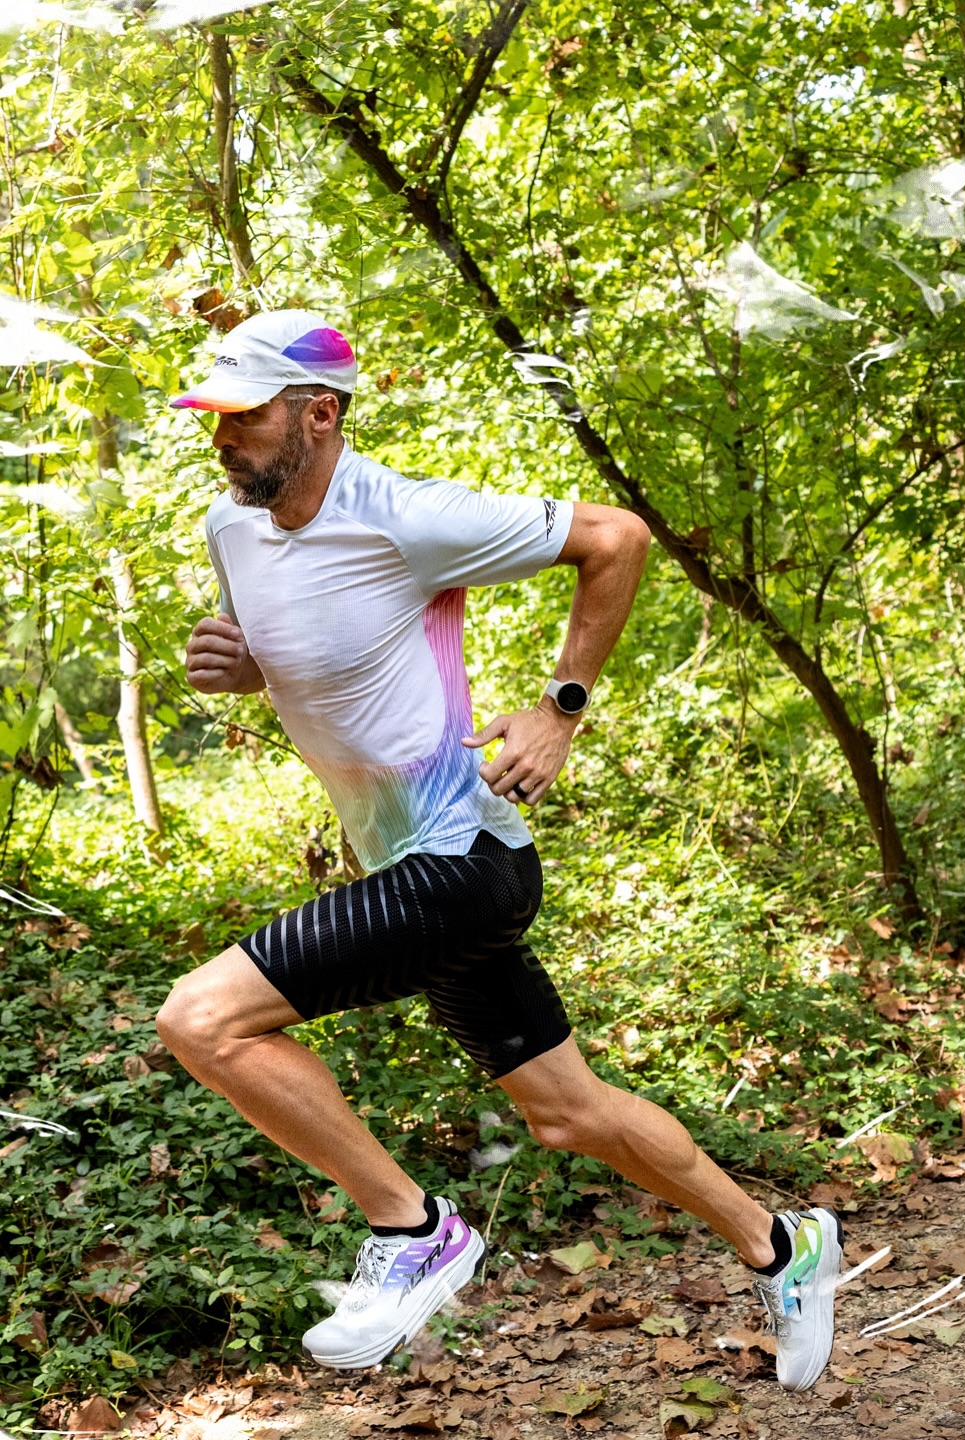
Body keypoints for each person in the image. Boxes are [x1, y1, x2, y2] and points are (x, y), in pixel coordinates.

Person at [157, 309, 843, 1391]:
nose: (222, 437)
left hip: (464, 861)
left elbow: (616, 537)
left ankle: (414, 1228)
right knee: (568, 1114)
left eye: (245, 417)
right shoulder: (230, 530)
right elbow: (317, 656)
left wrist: (560, 708)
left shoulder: (405, 515)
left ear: (319, 414)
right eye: (216, 417)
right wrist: (243, 669)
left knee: (202, 1019)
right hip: (408, 868)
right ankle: (782, 1245)